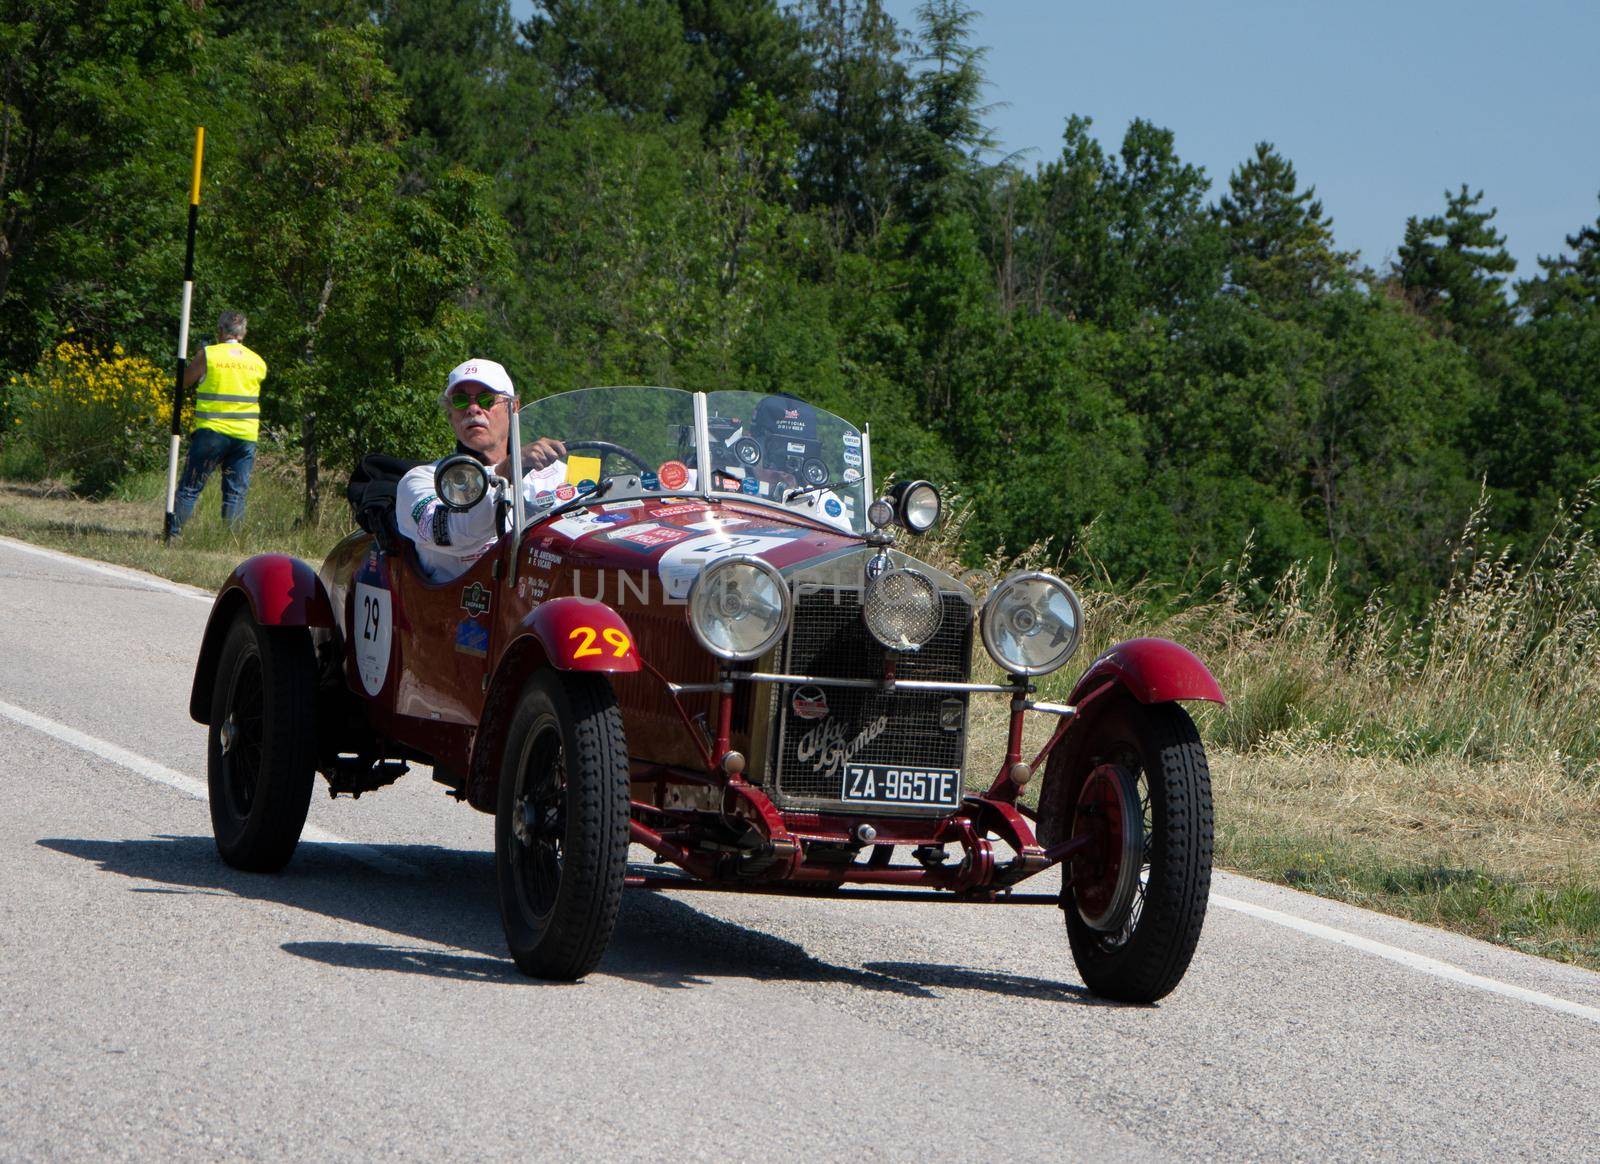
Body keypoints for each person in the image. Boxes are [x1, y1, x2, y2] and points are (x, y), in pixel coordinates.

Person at [395, 359, 566, 582]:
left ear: (513, 407)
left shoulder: (555, 474)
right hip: (462, 611)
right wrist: (508, 469)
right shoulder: (423, 480)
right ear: (450, 415)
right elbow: (455, 533)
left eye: (486, 399)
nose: (473, 408)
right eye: (460, 400)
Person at [170, 310, 267, 534]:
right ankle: (230, 541)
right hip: (245, 435)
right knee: (235, 492)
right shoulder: (257, 361)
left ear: (221, 331)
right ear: (244, 333)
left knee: (191, 486)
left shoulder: (209, 355)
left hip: (213, 431)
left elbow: (183, 382)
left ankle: (173, 534)